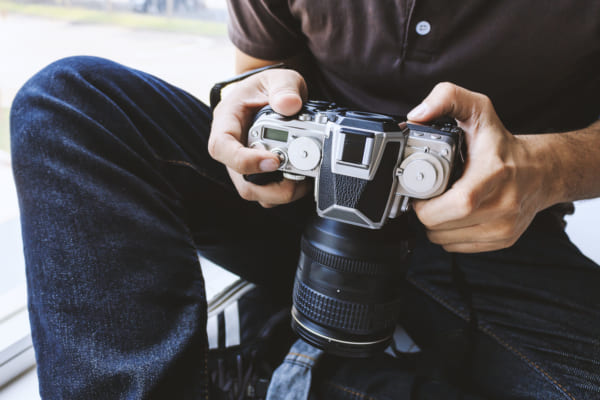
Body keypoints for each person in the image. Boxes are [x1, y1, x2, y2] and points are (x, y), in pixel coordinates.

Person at [9, 1, 600, 399]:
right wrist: (247, 114)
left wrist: (544, 171)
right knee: (69, 101)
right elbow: (261, 72)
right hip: (304, 201)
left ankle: (288, 364)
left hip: (500, 228)